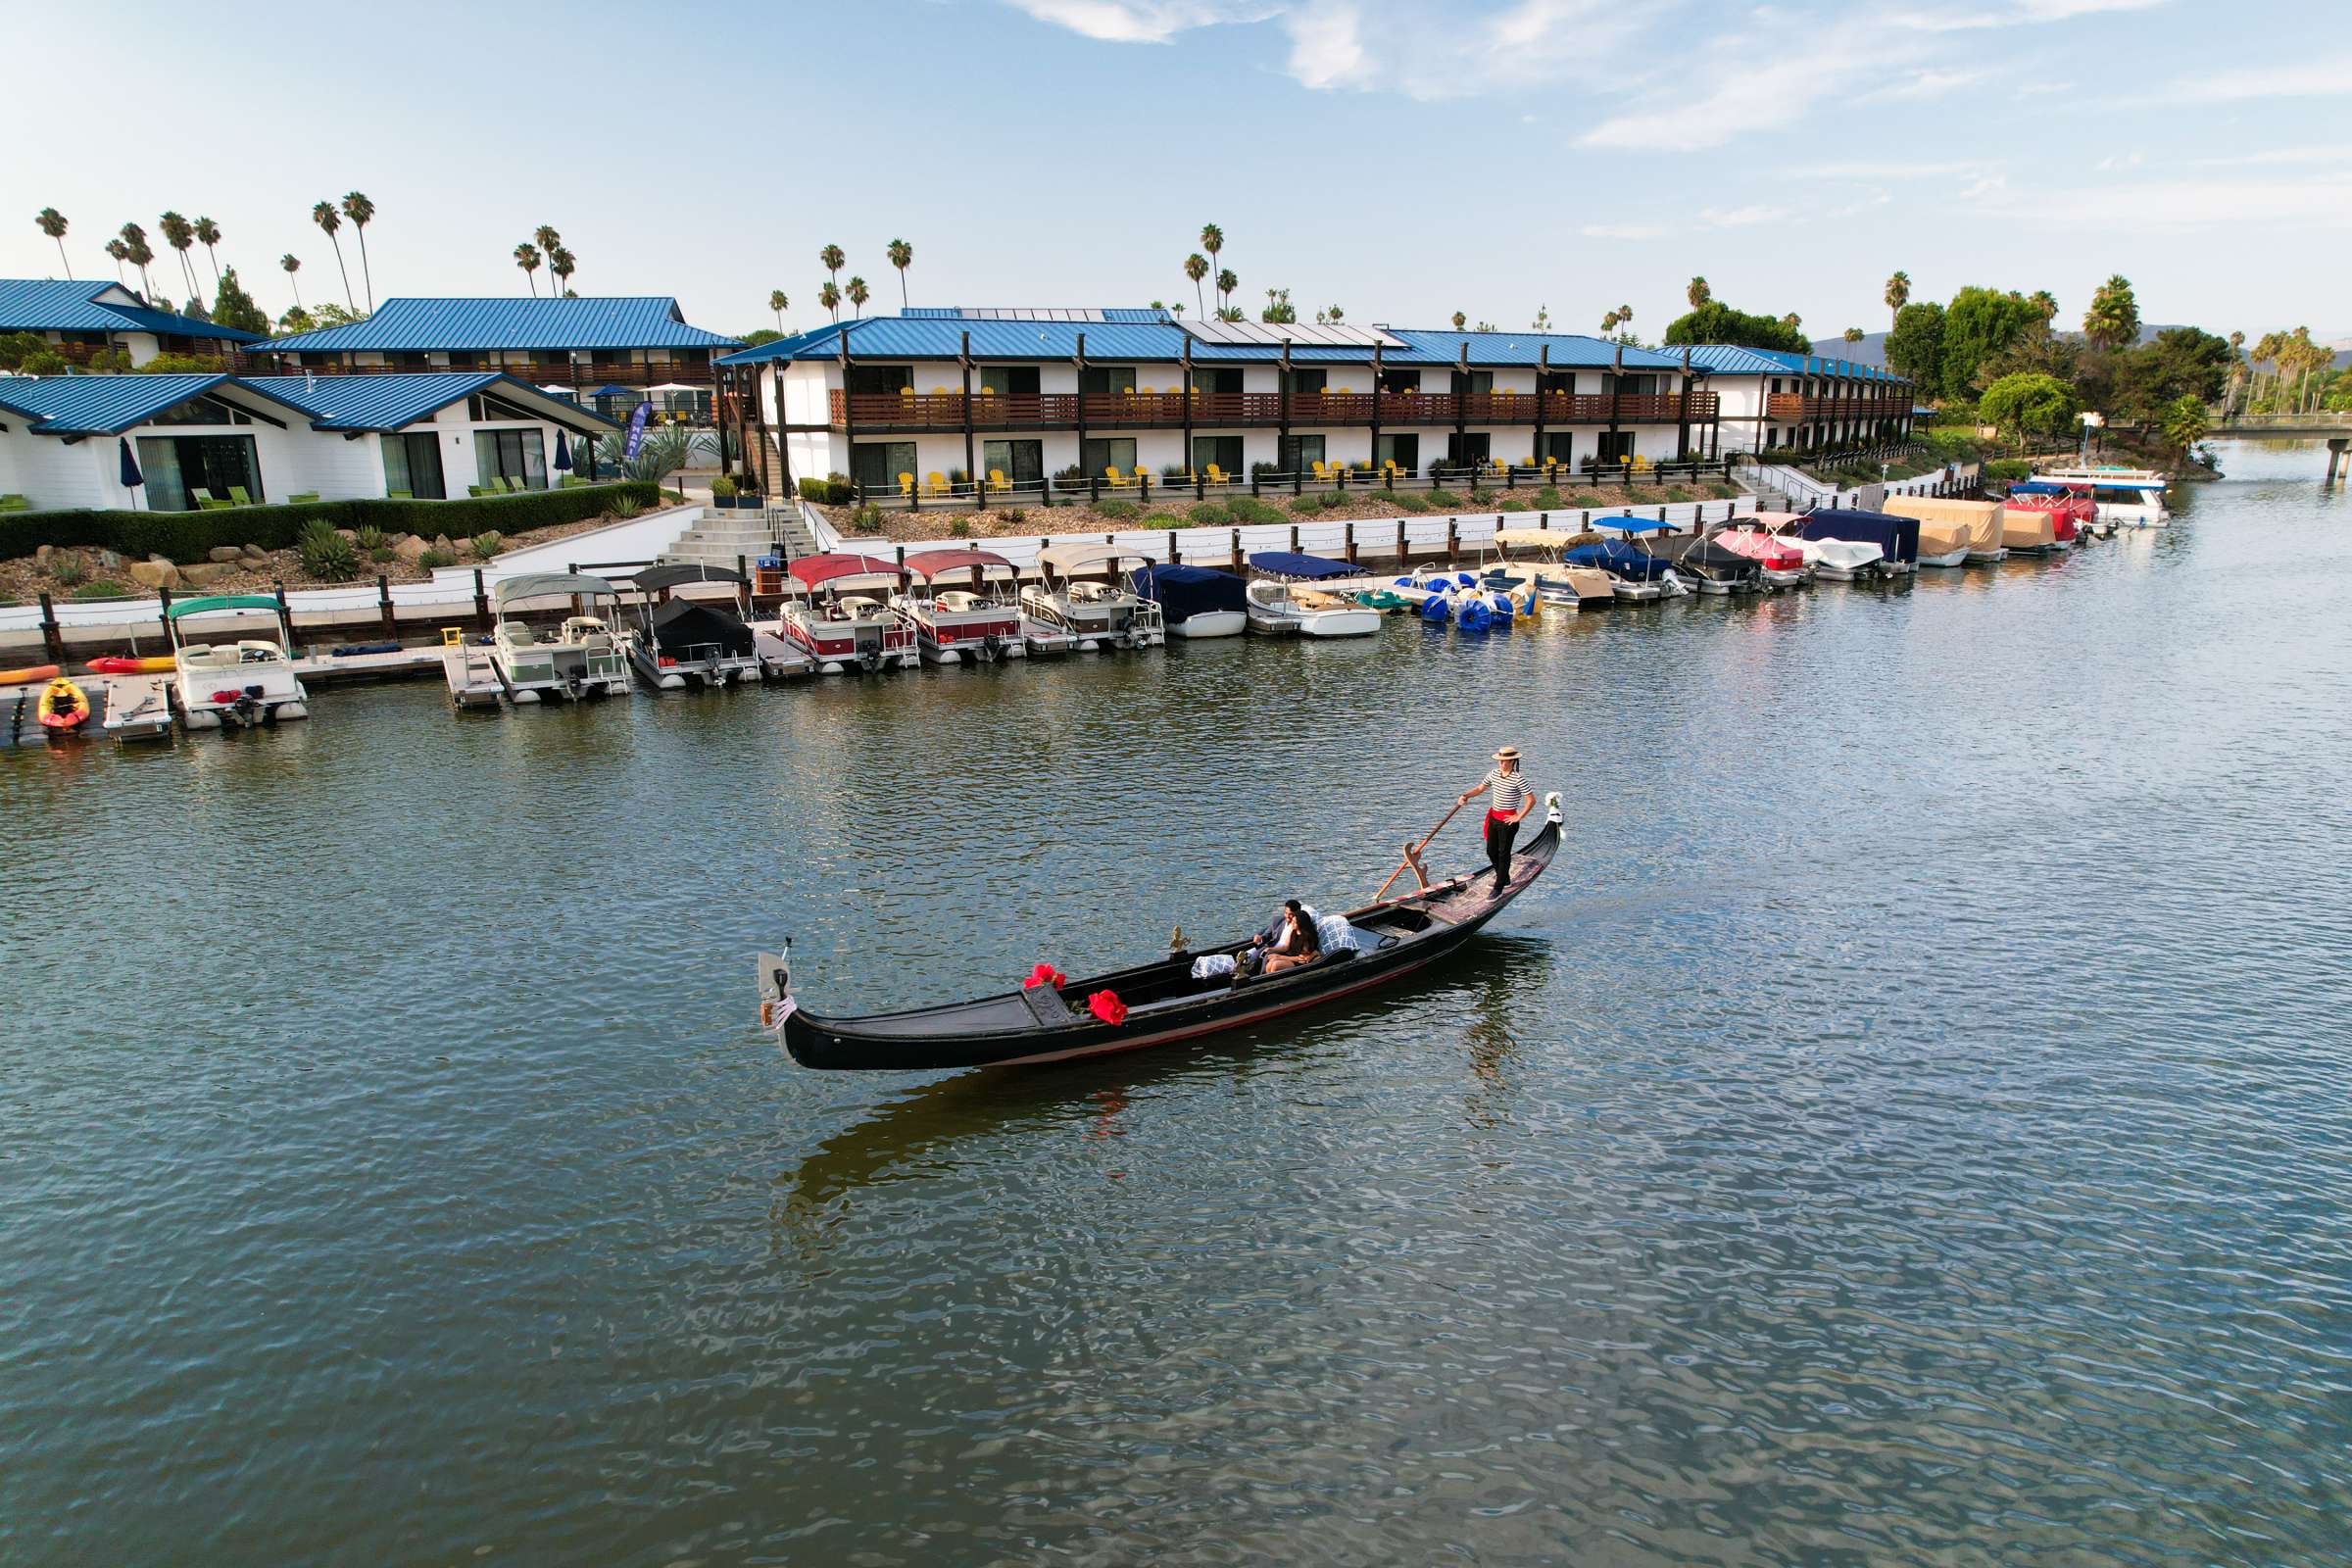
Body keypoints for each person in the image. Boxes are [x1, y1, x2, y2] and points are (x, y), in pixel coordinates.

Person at [1458, 746, 1533, 891]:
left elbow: (1531, 800)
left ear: (1512, 761)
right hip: (1493, 819)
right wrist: (1466, 795)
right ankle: (1504, 879)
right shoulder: (1493, 774)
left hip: (1507, 822)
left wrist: (1518, 817)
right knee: (1491, 851)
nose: (1502, 764)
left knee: (1503, 853)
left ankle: (1499, 887)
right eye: (1501, 761)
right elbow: (1480, 788)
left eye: (1506, 761)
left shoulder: (1518, 779)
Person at [1260, 899, 1324, 975]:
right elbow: (1285, 947)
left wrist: (1280, 957)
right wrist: (1272, 949)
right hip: (1292, 957)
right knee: (1270, 963)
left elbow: (1303, 958)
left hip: (1299, 961)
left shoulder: (1306, 937)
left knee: (1275, 965)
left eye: (1294, 922)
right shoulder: (1293, 931)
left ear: (1300, 924)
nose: (1292, 924)